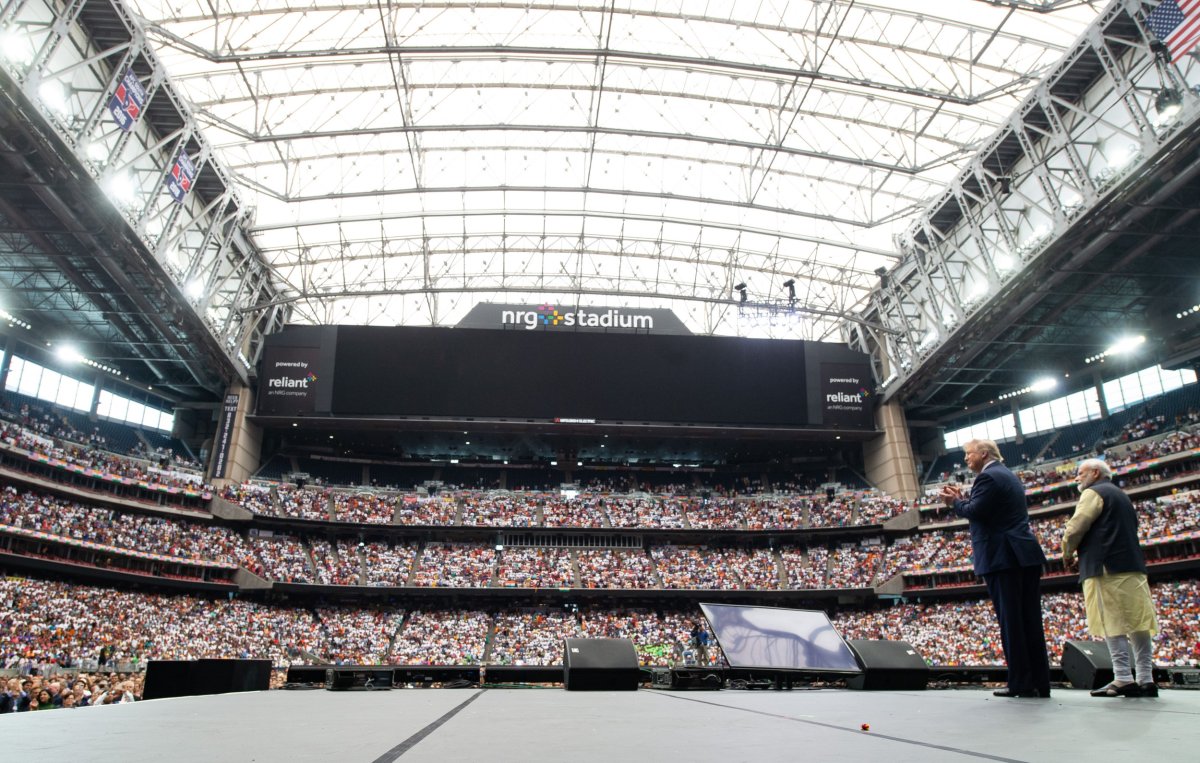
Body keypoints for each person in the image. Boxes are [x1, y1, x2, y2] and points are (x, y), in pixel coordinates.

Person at [940, 438, 1051, 698]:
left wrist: (955, 502)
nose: (966, 459)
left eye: (969, 454)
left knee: (1012, 622)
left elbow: (976, 510)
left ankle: (1021, 683)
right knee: (1030, 621)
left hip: (1004, 557)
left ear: (984, 453)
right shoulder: (1007, 475)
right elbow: (990, 510)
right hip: (1023, 554)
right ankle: (1038, 682)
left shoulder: (987, 478)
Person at [1062, 457, 1159, 698]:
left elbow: (1076, 527)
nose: (1077, 477)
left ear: (1095, 473)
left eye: (1081, 472)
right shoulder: (1121, 495)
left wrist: (1066, 552)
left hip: (1105, 567)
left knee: (1112, 622)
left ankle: (1124, 678)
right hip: (1132, 566)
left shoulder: (1094, 493)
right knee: (1139, 623)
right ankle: (1146, 679)